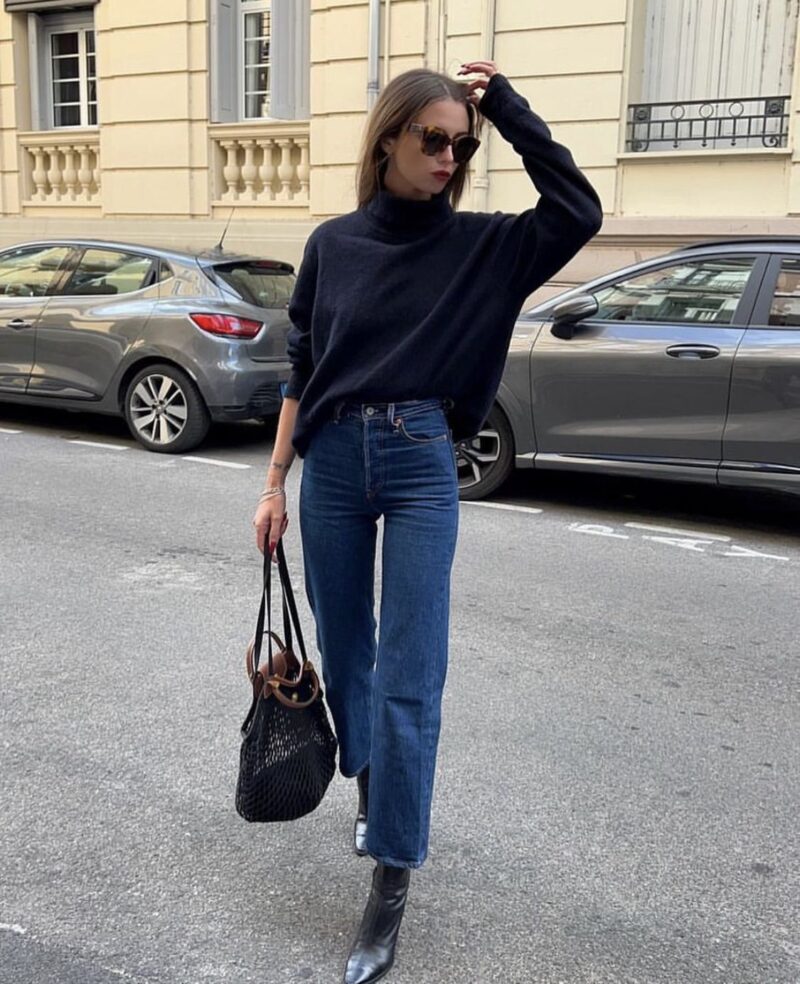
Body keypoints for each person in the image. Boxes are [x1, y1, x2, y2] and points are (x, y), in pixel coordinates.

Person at [252, 59, 603, 984]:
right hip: (329, 462)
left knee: (411, 673)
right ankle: (374, 787)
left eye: (462, 143)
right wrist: (274, 481)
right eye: (433, 139)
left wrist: (509, 108)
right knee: (349, 652)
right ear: (388, 141)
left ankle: (390, 880)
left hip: (418, 464)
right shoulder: (332, 244)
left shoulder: (489, 247)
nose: (450, 158)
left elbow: (577, 210)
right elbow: (303, 364)